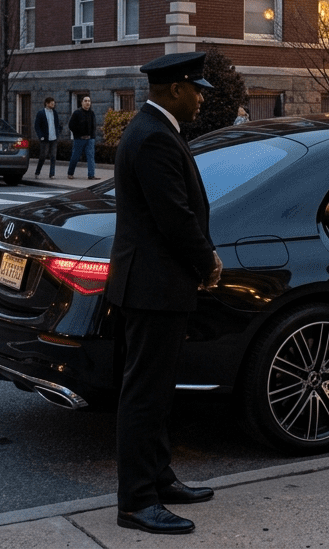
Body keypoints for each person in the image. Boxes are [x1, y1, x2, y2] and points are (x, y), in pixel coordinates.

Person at [106, 52, 222, 535]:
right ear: (175, 88)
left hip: (157, 284)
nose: (201, 97)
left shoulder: (155, 129)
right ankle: (136, 502)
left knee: (157, 392)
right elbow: (173, 216)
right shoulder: (153, 136)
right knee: (144, 396)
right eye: (197, 89)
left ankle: (158, 478)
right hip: (153, 285)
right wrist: (207, 260)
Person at [67, 95, 97, 179]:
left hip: (90, 139)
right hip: (79, 139)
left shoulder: (91, 113)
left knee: (91, 157)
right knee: (75, 157)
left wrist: (92, 136)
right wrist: (78, 134)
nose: (88, 103)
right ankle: (70, 173)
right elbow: (71, 125)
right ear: (82, 102)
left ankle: (91, 175)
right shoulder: (77, 113)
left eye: (89, 101)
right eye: (86, 101)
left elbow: (94, 125)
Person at [33, 97, 60, 178]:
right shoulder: (41, 113)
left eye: (54, 103)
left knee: (53, 156)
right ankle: (37, 172)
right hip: (45, 138)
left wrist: (58, 132)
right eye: (52, 103)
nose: (53, 105)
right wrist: (40, 136)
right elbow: (37, 126)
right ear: (47, 104)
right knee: (43, 156)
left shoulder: (54, 113)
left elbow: (57, 124)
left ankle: (52, 174)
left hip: (54, 137)